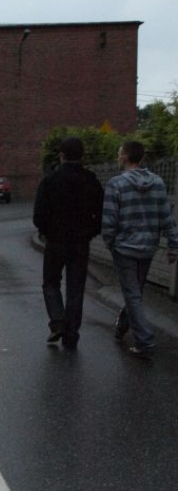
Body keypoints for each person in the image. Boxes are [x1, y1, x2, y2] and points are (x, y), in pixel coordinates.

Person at [102, 139, 178, 360]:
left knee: (132, 294)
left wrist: (111, 243)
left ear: (125, 156)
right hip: (148, 247)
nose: (118, 156)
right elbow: (166, 218)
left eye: (119, 153)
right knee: (135, 292)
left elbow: (109, 221)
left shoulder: (116, 184)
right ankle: (122, 326)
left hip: (124, 248)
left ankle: (145, 341)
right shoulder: (158, 183)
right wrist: (173, 245)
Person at [33, 136, 104, 350]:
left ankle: (57, 322)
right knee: (76, 287)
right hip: (80, 242)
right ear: (82, 156)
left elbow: (39, 214)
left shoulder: (50, 180)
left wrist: (45, 232)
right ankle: (71, 333)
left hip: (55, 241)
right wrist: (91, 232)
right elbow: (101, 213)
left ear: (61, 155)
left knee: (51, 283)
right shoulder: (91, 180)